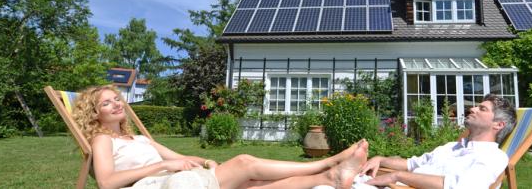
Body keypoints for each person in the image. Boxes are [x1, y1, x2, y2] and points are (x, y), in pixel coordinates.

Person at [73, 85, 366, 189]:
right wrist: (160, 167)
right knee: (244, 162)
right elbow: (107, 183)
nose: (116, 104)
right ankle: (330, 163)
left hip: (168, 177)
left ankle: (328, 179)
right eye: (106, 103)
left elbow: (183, 159)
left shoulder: (140, 140)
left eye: (117, 99)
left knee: (251, 182)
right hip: (149, 185)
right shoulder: (103, 140)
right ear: (95, 114)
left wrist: (205, 159)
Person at [361, 94, 516, 189]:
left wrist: (398, 176)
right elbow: (411, 164)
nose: (472, 109)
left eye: (482, 109)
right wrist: (380, 159)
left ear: (498, 124)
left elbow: (463, 187)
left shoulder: (494, 157)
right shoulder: (451, 147)